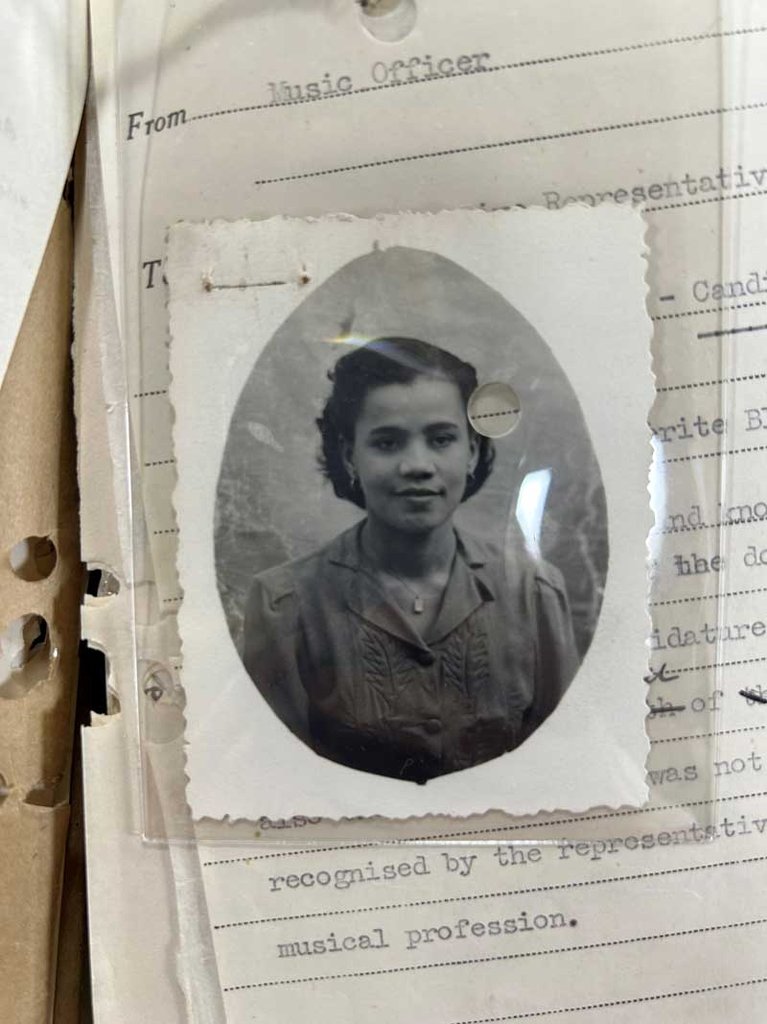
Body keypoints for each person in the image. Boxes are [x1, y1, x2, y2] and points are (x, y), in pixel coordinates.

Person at [242, 337, 579, 784]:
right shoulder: (284, 604)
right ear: (350, 456)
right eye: (387, 443)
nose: (417, 465)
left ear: (473, 450)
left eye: (441, 439)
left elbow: (566, 764)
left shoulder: (534, 593)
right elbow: (273, 780)